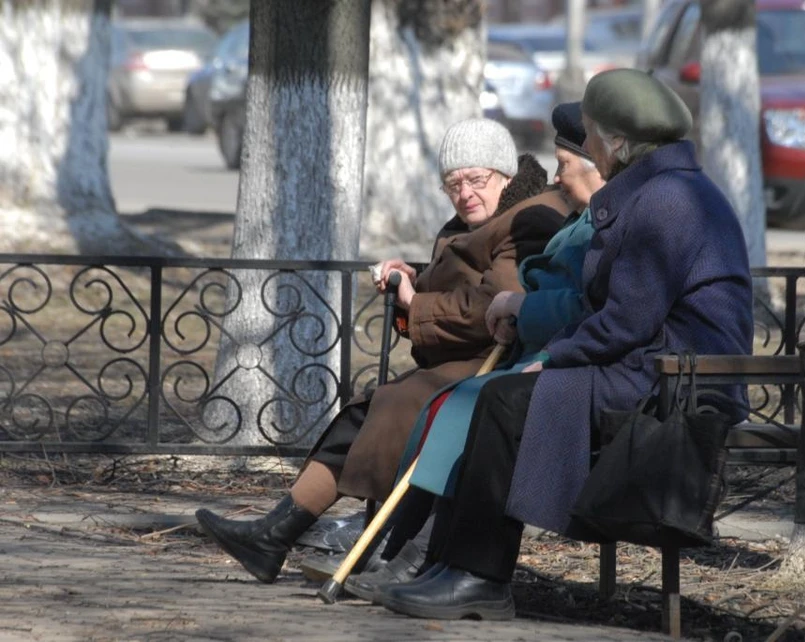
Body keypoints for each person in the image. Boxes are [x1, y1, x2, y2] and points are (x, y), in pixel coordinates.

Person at [377, 68, 755, 621]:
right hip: (650, 368)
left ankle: (479, 576)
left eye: (593, 133)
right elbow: (619, 317)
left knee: (505, 402)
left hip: (677, 384)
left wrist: (553, 358)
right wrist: (551, 358)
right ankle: (449, 565)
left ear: (619, 143)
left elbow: (626, 321)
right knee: (498, 396)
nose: (588, 145)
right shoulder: (660, 189)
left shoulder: (668, 202)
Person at [193, 118, 571, 584]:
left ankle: (298, 539)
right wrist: (410, 278)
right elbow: (464, 281)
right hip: (459, 364)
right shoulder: (476, 221)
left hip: (492, 369)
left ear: (506, 176)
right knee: (362, 414)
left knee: (387, 408)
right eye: (452, 184)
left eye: (477, 179)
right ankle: (274, 535)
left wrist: (418, 302)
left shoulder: (523, 221)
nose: (465, 192)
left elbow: (491, 308)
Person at [315, 103, 607, 600]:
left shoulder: (566, 220)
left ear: (596, 164)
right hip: (534, 353)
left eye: (563, 164)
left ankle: (446, 565)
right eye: (453, 184)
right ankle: (410, 556)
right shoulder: (581, 220)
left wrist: (525, 320)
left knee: (469, 406)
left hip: (565, 363)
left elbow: (591, 307)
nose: (557, 175)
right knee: (448, 409)